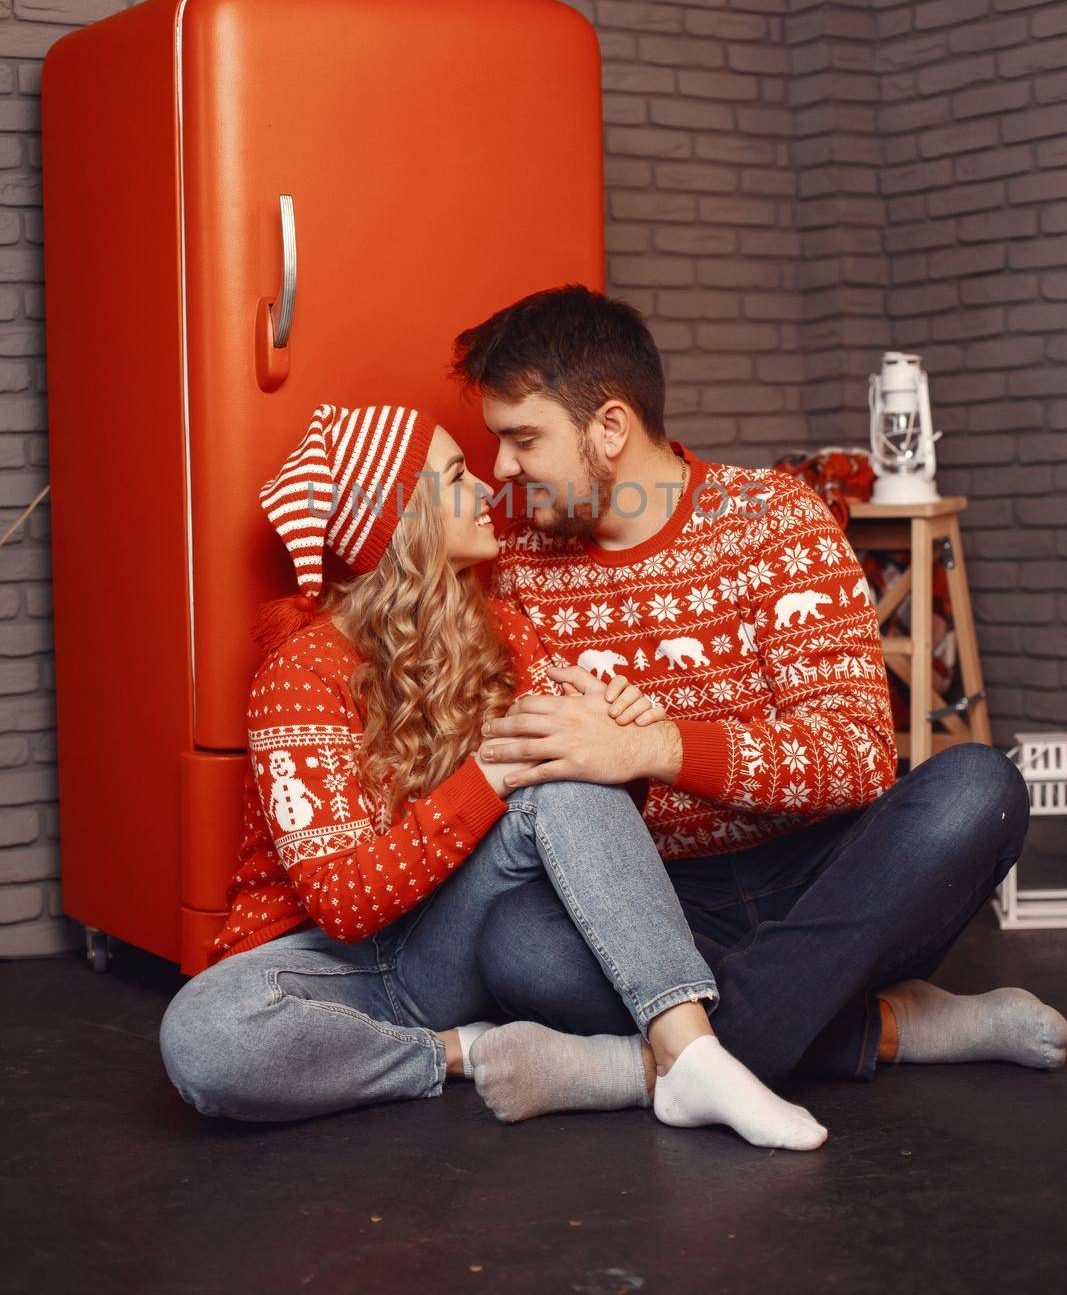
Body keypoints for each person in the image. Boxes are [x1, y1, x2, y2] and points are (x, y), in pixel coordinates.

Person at [441, 284, 1066, 1122]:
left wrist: (653, 746)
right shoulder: (517, 553)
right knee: (515, 939)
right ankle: (894, 1028)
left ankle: (648, 1065)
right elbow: (545, 764)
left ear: (610, 429)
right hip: (659, 909)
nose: (501, 472)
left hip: (825, 879)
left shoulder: (773, 520)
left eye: (522, 440)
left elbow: (853, 757)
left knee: (978, 788)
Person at [158, 401, 830, 1149]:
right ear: (401, 517)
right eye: (454, 475)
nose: (486, 488)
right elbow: (343, 907)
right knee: (204, 1037)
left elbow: (579, 810)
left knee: (566, 774)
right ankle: (468, 1050)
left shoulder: (504, 629)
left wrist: (618, 742)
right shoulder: (301, 673)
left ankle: (689, 1053)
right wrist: (490, 773)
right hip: (329, 968)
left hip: (454, 940)